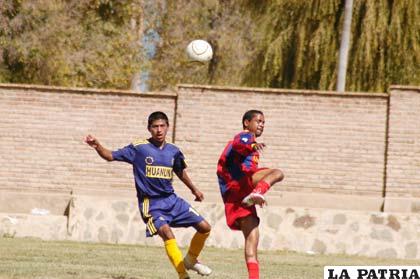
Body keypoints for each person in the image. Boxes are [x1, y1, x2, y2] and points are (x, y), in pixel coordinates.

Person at [85, 111, 212, 279]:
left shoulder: (174, 150)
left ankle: (191, 260)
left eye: (162, 126)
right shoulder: (139, 148)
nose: (159, 130)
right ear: (149, 129)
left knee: (205, 227)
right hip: (151, 204)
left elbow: (180, 171)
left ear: (168, 127)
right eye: (155, 127)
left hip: (172, 200)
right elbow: (110, 156)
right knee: (167, 233)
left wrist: (194, 189)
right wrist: (97, 145)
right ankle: (183, 275)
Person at [216, 109, 284, 279]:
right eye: (258, 121)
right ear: (247, 122)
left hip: (242, 196)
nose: (261, 124)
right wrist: (252, 144)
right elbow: (240, 144)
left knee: (252, 239)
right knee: (277, 173)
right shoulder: (244, 136)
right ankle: (258, 192)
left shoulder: (252, 146)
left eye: (263, 122)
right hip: (237, 185)